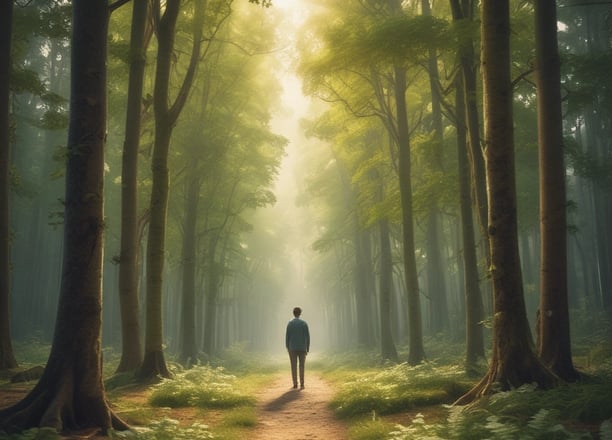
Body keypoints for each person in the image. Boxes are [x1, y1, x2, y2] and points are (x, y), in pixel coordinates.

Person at [285, 306, 310, 389]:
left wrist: (287, 347)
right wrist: (307, 347)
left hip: (292, 348)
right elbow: (307, 336)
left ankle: (295, 383)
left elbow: (287, 336)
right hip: (302, 348)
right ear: (300, 313)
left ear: (293, 313)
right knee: (302, 366)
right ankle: (302, 383)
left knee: (293, 366)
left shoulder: (290, 323)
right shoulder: (304, 323)